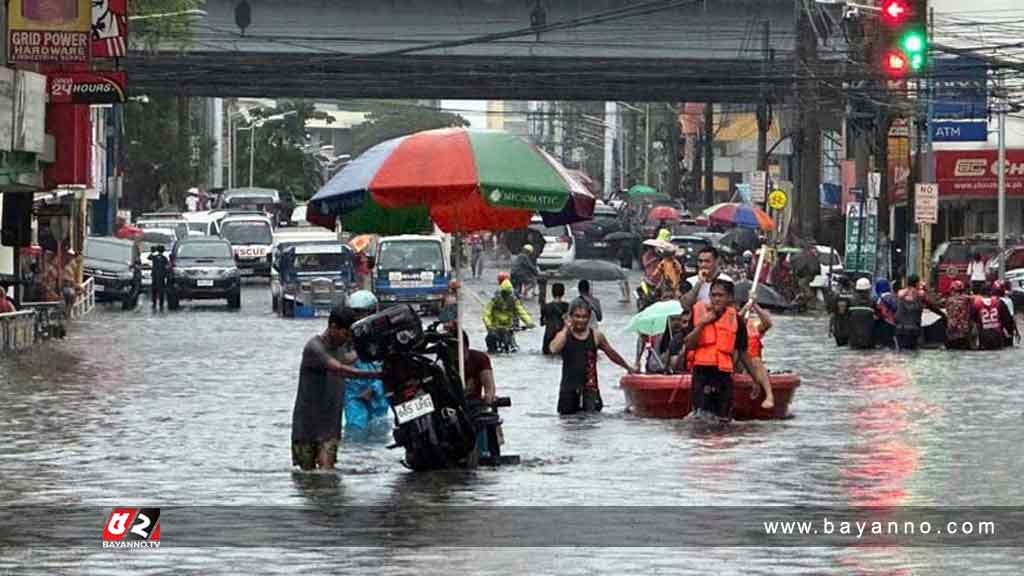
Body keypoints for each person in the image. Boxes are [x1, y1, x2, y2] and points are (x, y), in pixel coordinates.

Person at [292, 305, 382, 471]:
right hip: (307, 426)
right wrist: (377, 375)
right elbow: (340, 368)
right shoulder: (314, 348)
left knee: (328, 474)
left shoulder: (340, 348)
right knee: (307, 478)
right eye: (345, 334)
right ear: (333, 327)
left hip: (330, 426)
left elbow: (351, 358)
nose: (347, 339)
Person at [683, 278, 768, 421]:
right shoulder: (699, 313)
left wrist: (755, 380)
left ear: (729, 298)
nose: (716, 299)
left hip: (723, 374)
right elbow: (688, 344)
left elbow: (743, 353)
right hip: (702, 373)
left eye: (720, 295)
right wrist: (702, 324)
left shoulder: (736, 320)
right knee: (701, 417)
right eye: (713, 295)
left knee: (723, 418)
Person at [550, 299, 634, 414]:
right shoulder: (564, 335)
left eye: (584, 317)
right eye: (577, 316)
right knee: (569, 425)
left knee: (592, 424)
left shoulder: (596, 336)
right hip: (568, 391)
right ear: (570, 317)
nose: (581, 320)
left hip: (590, 391)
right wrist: (566, 328)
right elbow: (553, 348)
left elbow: (611, 354)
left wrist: (628, 368)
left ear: (589, 318)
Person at [343, 291, 390, 435]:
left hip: (378, 392)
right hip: (354, 393)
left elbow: (389, 364)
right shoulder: (346, 334)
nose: (356, 317)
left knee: (380, 429)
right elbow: (342, 359)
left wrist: (374, 389)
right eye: (354, 313)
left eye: (360, 313)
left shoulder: (383, 334)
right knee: (355, 429)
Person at [739, 299, 775, 410]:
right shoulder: (732, 321)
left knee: (756, 361)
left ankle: (769, 396)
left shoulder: (753, 325)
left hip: (752, 364)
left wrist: (754, 305)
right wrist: (744, 309)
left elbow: (767, 323)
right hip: (736, 363)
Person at [483, 279, 534, 353]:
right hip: (494, 327)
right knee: (491, 341)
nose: (506, 295)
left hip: (508, 327)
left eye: (508, 293)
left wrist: (529, 322)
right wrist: (489, 325)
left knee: (513, 348)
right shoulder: (494, 299)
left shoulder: (513, 300)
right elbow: (486, 313)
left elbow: (521, 311)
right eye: (504, 293)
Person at [894, 275, 943, 351]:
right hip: (913, 329)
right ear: (917, 283)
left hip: (900, 329)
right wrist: (943, 315)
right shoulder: (920, 294)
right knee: (913, 353)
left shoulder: (900, 293)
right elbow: (932, 305)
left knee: (902, 352)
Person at [972, 283, 1009, 350]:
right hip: (997, 335)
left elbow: (973, 318)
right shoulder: (998, 302)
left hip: (984, 336)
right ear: (991, 292)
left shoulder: (976, 303)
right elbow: (1005, 319)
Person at [847, 278, 877, 350]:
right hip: (869, 340)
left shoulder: (851, 302)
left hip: (854, 340)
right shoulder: (872, 302)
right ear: (868, 290)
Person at [944, 280, 974, 350]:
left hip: (951, 335)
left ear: (952, 290)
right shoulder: (968, 299)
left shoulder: (948, 300)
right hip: (963, 335)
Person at [541, 282, 569, 355]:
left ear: (552, 292)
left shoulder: (545, 307)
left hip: (548, 336)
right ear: (563, 292)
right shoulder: (567, 306)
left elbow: (542, 323)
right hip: (561, 338)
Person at [873, 278, 898, 348]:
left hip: (882, 325)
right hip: (893, 325)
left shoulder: (878, 298)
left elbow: (876, 313)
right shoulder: (894, 297)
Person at [149, 245, 169, 311]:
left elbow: (148, 257)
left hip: (155, 276)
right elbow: (167, 266)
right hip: (161, 277)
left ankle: (154, 303)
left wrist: (152, 252)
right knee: (161, 291)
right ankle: (161, 304)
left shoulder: (154, 257)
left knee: (154, 290)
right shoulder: (164, 258)